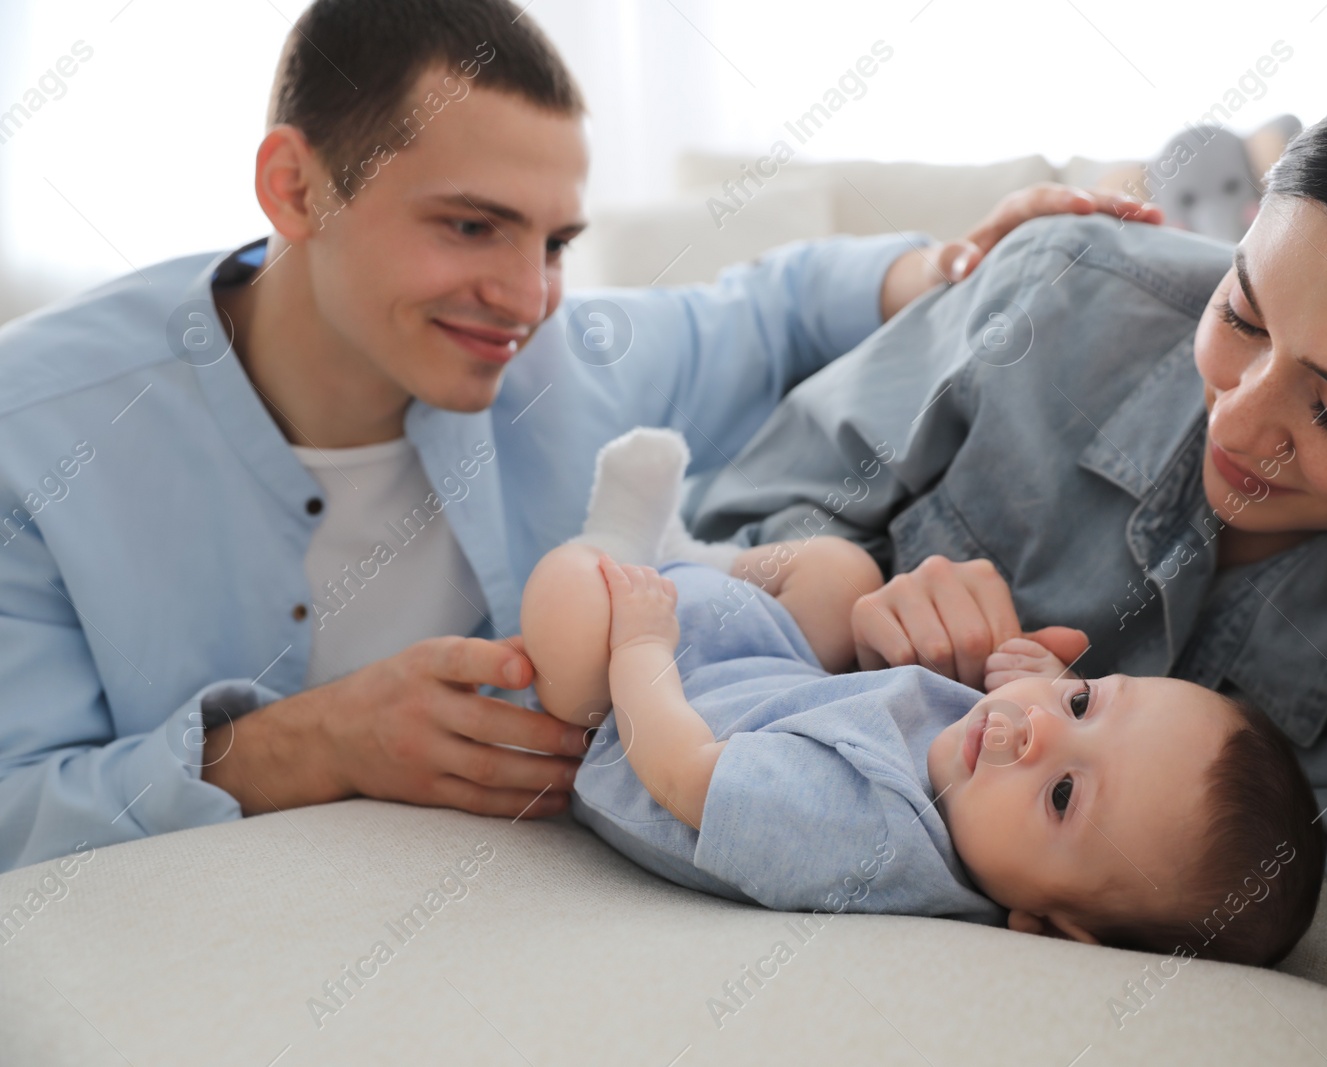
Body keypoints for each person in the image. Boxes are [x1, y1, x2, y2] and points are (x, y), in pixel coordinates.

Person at [0, 0, 1160, 874]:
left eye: (554, 242)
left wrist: (974, 267)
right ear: (296, 191)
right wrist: (304, 746)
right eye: (470, 225)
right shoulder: (35, 437)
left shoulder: (552, 364)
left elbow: (775, 308)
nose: (527, 295)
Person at [690, 31, 1327, 1025]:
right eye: (1243, 317)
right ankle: (1222, 183)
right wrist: (836, 584)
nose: (1240, 424)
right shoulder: (1061, 287)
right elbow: (729, 526)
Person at [519, 428, 1324, 966]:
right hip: (770, 678)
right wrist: (1032, 675)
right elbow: (1026, 714)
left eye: (1064, 794)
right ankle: (687, 551)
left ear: (1049, 928)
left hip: (640, 716)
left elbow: (681, 768)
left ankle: (622, 543)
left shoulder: (858, 832)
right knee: (843, 576)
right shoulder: (983, 793)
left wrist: (640, 643)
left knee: (570, 608)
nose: (1031, 731)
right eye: (1084, 706)